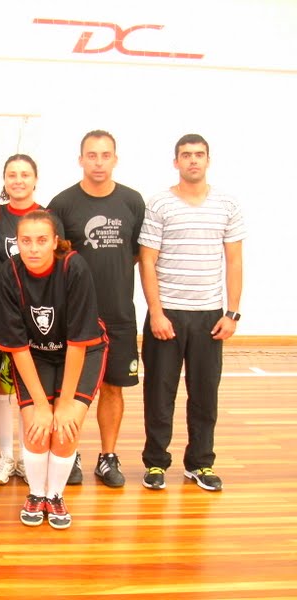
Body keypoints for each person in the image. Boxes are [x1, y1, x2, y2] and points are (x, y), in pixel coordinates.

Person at [138, 133, 245, 493]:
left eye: (199, 154)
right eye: (186, 155)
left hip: (209, 316)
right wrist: (156, 313)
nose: (193, 160)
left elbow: (234, 260)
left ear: (208, 160)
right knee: (159, 394)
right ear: (176, 162)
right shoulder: (159, 204)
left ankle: (200, 463)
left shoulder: (227, 204)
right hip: (167, 314)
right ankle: (155, 463)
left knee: (204, 394)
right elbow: (147, 262)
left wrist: (232, 313)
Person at [0, 211, 107, 529]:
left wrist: (64, 404)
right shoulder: (10, 272)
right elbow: (17, 346)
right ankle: (36, 494)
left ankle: (55, 495)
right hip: (36, 355)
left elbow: (78, 342)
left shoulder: (74, 267)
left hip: (82, 351)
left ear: (55, 241)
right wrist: (42, 406)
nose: (33, 248)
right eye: (26, 241)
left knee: (64, 429)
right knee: (36, 429)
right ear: (17, 243)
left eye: (42, 240)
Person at [47, 130, 145, 488]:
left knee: (113, 387)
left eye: (105, 155)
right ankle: (69, 453)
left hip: (119, 314)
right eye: (92, 155)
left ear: (115, 159)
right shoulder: (62, 204)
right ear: (80, 159)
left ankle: (107, 458)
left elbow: (136, 254)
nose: (99, 162)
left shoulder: (132, 202)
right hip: (75, 316)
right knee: (68, 390)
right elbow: (55, 258)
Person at [0, 154, 45, 486]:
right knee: (1, 384)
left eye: (25, 174)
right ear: (4, 180)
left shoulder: (47, 217)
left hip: (37, 312)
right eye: (12, 174)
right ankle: (6, 455)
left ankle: (27, 455)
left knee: (32, 384)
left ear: (35, 179)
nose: (18, 180)